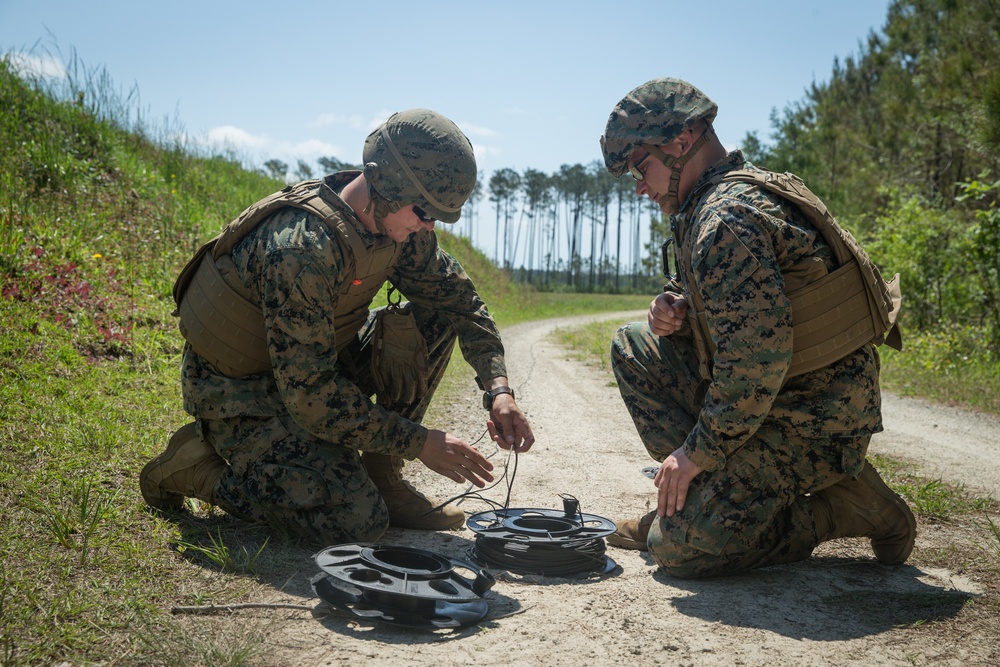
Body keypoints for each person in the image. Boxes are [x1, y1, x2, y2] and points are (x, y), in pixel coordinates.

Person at [140, 108, 534, 544]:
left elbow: (461, 302)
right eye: (423, 210)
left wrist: (498, 390)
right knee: (353, 519)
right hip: (242, 394)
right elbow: (309, 397)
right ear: (384, 185)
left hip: (313, 372)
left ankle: (381, 475)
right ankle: (197, 469)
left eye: (438, 216)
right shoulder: (301, 249)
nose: (428, 225)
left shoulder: (401, 226)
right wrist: (419, 441)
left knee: (436, 315)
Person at [599, 78, 915, 579]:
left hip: (813, 416)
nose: (639, 185)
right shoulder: (720, 199)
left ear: (682, 142)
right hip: (778, 394)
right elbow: (740, 314)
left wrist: (695, 453)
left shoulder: (725, 219)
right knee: (634, 346)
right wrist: (675, 310)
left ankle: (845, 508)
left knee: (678, 549)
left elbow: (753, 365)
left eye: (642, 167)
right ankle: (702, 500)